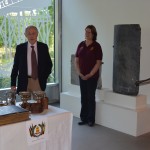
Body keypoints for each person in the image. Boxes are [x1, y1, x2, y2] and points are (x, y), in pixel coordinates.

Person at [75, 25, 103, 127]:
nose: (86, 34)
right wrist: (79, 73)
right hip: (81, 76)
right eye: (86, 31)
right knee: (83, 97)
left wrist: (90, 74)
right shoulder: (81, 44)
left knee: (90, 97)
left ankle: (91, 120)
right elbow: (76, 60)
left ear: (93, 34)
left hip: (92, 77)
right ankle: (84, 118)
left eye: (89, 32)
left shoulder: (97, 46)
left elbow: (98, 62)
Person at [11, 25, 53, 94]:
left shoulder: (43, 47)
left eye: (33, 33)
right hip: (23, 82)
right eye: (29, 34)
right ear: (25, 35)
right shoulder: (20, 48)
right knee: (25, 104)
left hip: (38, 81)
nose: (31, 36)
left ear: (37, 34)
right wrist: (13, 84)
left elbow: (49, 64)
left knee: (38, 104)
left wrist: (44, 77)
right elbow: (15, 67)